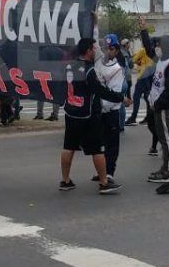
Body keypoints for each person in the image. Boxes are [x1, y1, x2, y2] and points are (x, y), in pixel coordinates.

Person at [58, 37, 130, 194]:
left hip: (71, 112)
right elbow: (101, 90)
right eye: (93, 48)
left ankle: (65, 180)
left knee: (68, 147)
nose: (96, 50)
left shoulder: (70, 66)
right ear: (88, 50)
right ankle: (104, 183)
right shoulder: (89, 70)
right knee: (97, 149)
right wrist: (121, 98)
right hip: (88, 114)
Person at [142, 26, 169, 183]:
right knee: (164, 139)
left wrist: (157, 105)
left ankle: (167, 172)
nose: (155, 48)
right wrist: (143, 30)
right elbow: (148, 49)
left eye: (157, 45)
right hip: (158, 106)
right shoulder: (161, 60)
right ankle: (165, 168)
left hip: (165, 108)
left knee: (166, 140)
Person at [93, 34, 127, 182]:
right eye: (106, 48)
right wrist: (94, 22)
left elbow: (115, 94)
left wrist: (103, 105)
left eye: (111, 48)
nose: (108, 51)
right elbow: (94, 41)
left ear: (117, 50)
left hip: (111, 111)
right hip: (100, 112)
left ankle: (109, 173)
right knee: (101, 144)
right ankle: (102, 171)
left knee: (112, 145)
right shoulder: (99, 62)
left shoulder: (117, 69)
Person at [126, 38, 156, 125]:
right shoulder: (153, 52)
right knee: (147, 98)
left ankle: (133, 117)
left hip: (142, 77)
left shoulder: (143, 50)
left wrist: (137, 60)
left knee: (136, 97)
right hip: (150, 77)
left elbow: (133, 60)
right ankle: (149, 116)